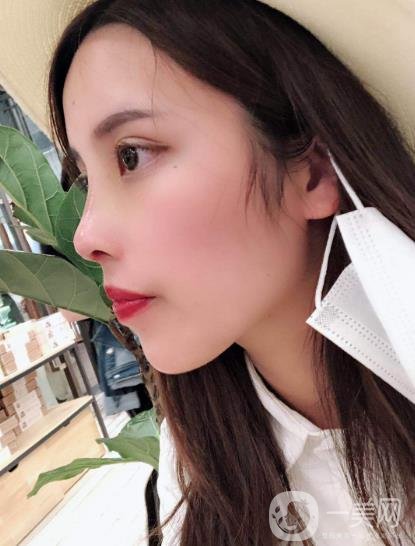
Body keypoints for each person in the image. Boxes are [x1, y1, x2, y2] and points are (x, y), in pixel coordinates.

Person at [1, 1, 414, 544]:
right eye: (84, 181)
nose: (85, 237)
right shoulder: (193, 474)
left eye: (131, 156)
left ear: (313, 173)